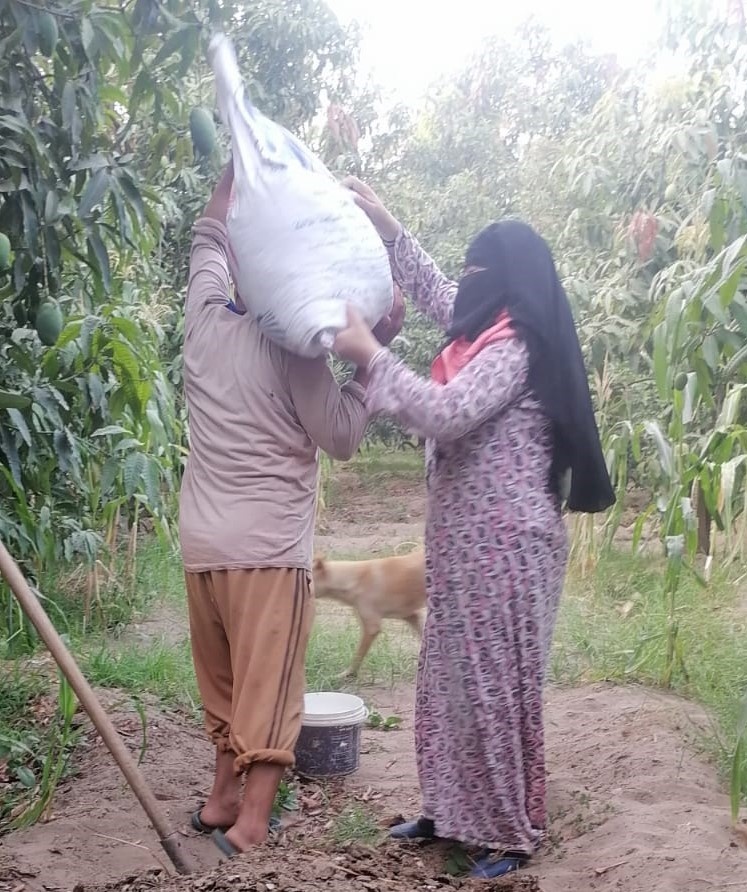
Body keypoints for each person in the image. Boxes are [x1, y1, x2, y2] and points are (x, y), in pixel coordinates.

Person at [333, 177, 614, 879]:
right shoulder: (487, 325)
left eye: (481, 271)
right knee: (446, 680)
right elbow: (441, 294)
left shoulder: (517, 346)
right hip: (460, 549)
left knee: (492, 687)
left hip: (509, 549)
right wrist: (391, 232)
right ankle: (448, 810)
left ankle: (508, 833)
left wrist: (371, 354)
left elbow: (446, 412)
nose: (468, 284)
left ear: (511, 283)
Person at [179, 163, 404, 857]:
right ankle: (250, 822)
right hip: (267, 551)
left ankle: (219, 797)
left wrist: (232, 168)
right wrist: (374, 360)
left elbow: (209, 235)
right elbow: (337, 436)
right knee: (270, 689)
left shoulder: (202, 314)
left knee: (221, 679)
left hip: (201, 546)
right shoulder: (296, 352)